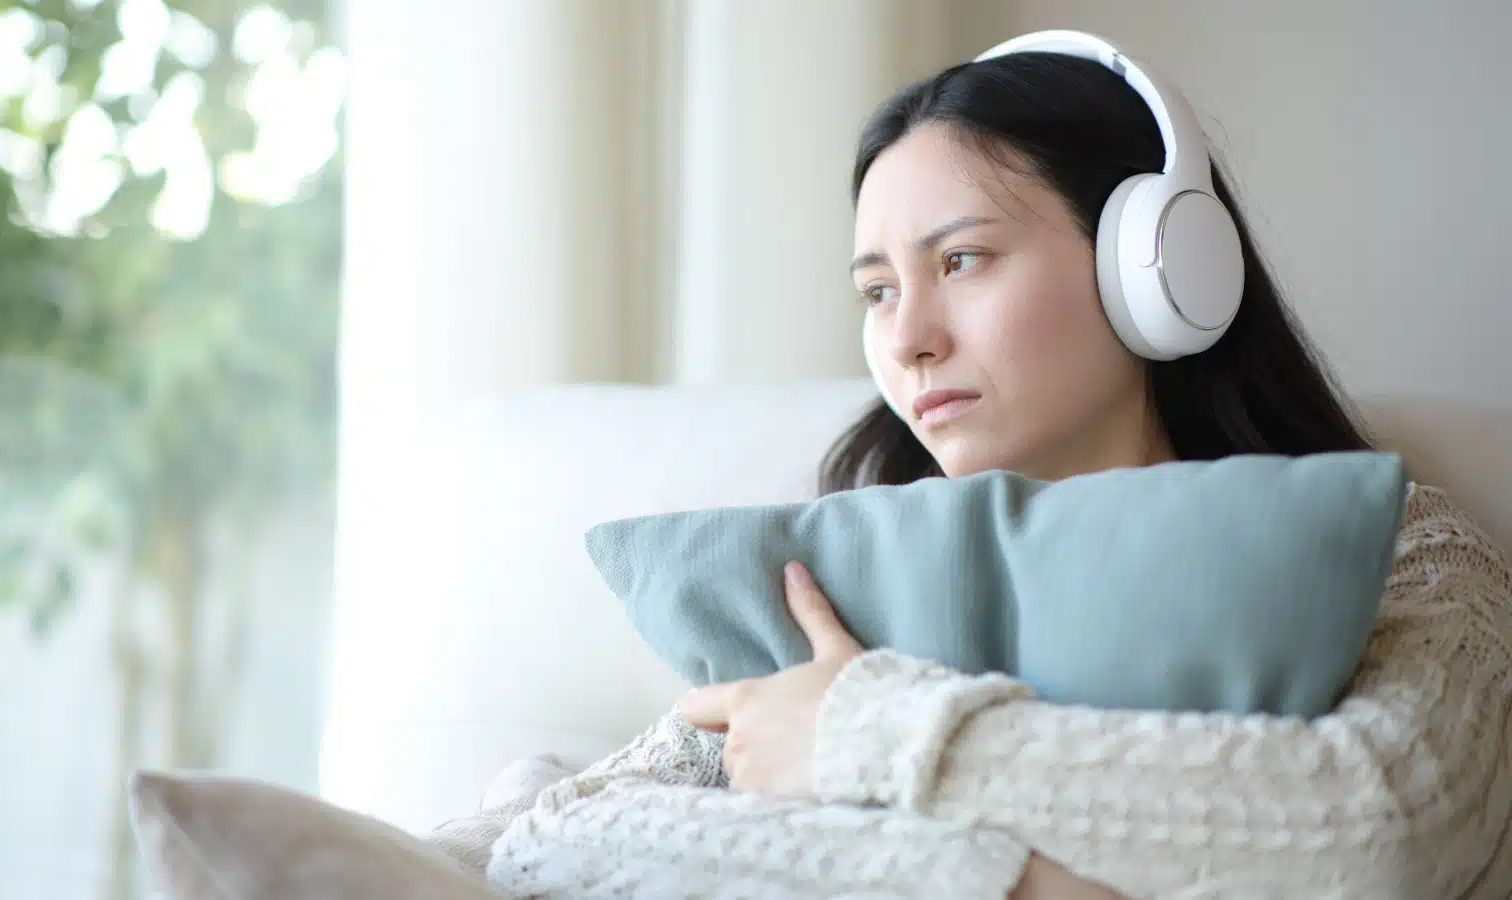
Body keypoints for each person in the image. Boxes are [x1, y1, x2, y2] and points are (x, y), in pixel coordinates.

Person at [429, 32, 1512, 899]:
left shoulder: (1409, 554)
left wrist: (873, 737)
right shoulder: (865, 577)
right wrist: (1020, 880)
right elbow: (555, 837)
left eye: (960, 259)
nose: (906, 340)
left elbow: (1377, 834)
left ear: (1156, 265)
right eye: (877, 290)